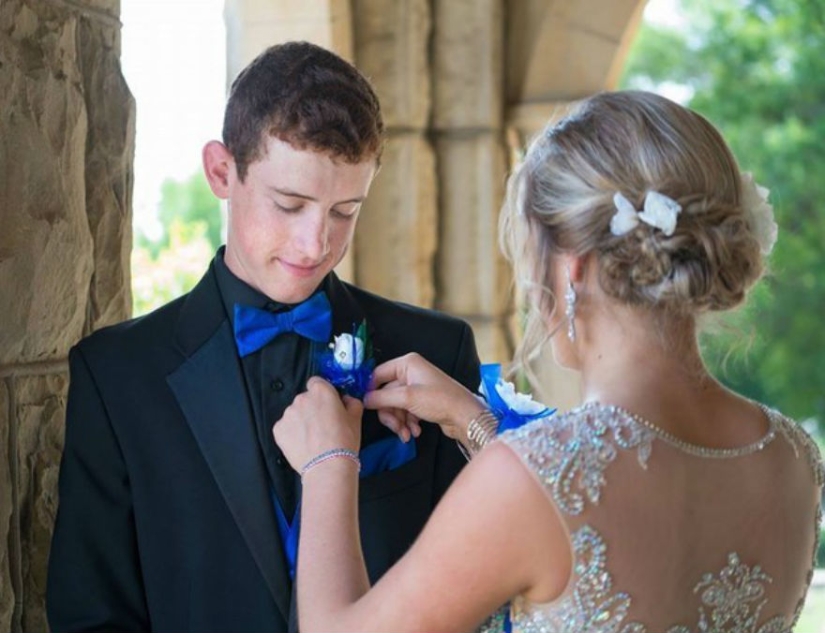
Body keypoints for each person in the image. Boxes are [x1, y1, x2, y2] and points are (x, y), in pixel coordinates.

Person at [273, 90, 824, 632]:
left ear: (572, 268)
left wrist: (328, 466)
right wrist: (475, 423)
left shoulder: (529, 478)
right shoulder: (794, 459)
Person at [46, 41, 480, 632]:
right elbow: (91, 619)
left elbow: (478, 582)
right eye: (290, 204)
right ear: (222, 172)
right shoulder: (116, 376)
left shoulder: (436, 351)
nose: (315, 243)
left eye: (344, 211)